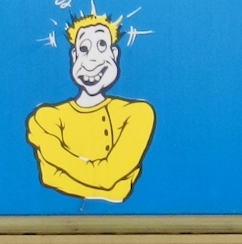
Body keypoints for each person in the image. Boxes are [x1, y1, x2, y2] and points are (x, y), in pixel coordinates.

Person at [26, 11, 154, 202]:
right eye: (84, 48)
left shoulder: (137, 113)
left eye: (101, 45)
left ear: (114, 54)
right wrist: (106, 186)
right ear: (74, 56)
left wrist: (49, 148)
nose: (92, 59)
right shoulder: (46, 117)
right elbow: (49, 177)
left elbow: (112, 181)